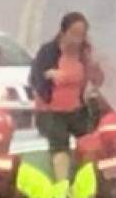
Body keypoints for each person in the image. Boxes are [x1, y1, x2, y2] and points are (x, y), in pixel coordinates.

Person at [29, 12, 105, 188]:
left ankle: (88, 182)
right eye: (74, 34)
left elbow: (97, 80)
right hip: (51, 112)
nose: (77, 40)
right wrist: (52, 80)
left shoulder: (85, 55)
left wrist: (93, 69)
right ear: (63, 33)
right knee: (59, 140)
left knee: (90, 140)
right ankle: (62, 188)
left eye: (82, 35)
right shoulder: (48, 52)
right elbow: (37, 79)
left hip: (76, 110)